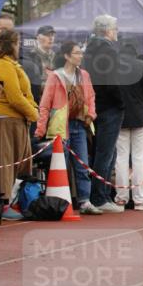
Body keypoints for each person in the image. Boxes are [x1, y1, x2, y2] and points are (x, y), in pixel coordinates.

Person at [35, 41, 99, 215]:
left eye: (80, 53)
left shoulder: (84, 75)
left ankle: (85, 201)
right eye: (77, 53)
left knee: (82, 165)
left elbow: (91, 97)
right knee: (60, 164)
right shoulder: (55, 77)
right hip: (60, 127)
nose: (80, 56)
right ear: (67, 56)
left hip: (79, 124)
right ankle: (60, 200)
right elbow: (45, 105)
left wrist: (91, 115)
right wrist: (40, 130)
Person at [83, 14, 125, 213]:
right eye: (115, 29)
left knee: (103, 152)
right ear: (108, 31)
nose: (117, 32)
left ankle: (99, 194)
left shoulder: (87, 50)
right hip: (109, 106)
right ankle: (100, 197)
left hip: (94, 105)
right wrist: (121, 102)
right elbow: (113, 81)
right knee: (105, 153)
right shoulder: (108, 51)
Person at [0, 29, 37, 204]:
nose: (20, 47)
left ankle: (11, 200)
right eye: (18, 43)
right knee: (6, 164)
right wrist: (33, 113)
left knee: (15, 163)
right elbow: (14, 96)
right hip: (8, 121)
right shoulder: (3, 65)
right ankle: (3, 201)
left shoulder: (8, 64)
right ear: (11, 45)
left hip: (15, 120)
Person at [115, 41, 143, 210]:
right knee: (139, 159)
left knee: (121, 159)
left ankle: (121, 198)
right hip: (140, 116)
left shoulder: (113, 67)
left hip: (120, 116)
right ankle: (140, 199)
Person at [22, 24, 56, 102]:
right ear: (38, 37)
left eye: (52, 35)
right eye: (47, 35)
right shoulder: (30, 56)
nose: (51, 38)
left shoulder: (57, 57)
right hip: (37, 100)